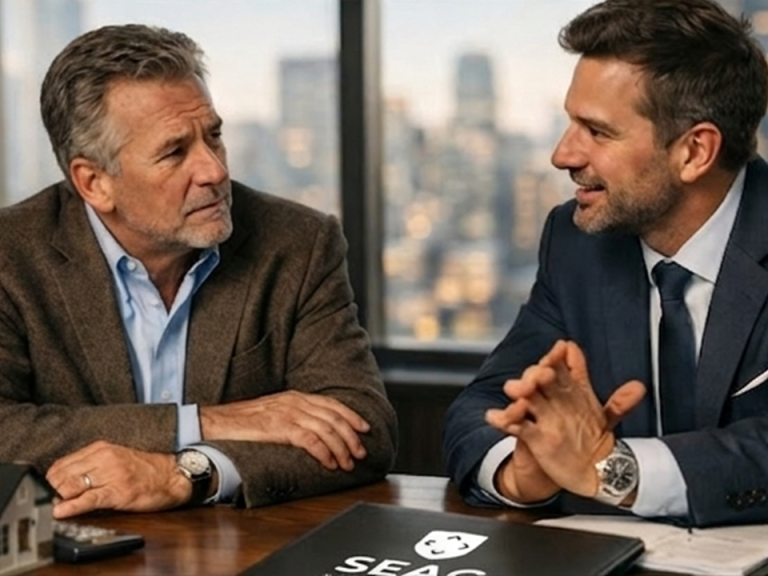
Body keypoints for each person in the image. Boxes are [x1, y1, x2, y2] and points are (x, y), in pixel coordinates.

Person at [0, 24, 397, 519]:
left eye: (214, 136)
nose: (213, 170)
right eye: (174, 152)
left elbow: (364, 430)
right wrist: (204, 423)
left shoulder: (296, 243)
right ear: (94, 182)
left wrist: (188, 471)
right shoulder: (10, 256)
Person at [443, 0, 768, 528]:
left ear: (694, 152)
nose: (562, 155)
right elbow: (485, 402)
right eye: (569, 123)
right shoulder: (576, 242)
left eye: (597, 131)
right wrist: (521, 472)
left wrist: (612, 469)